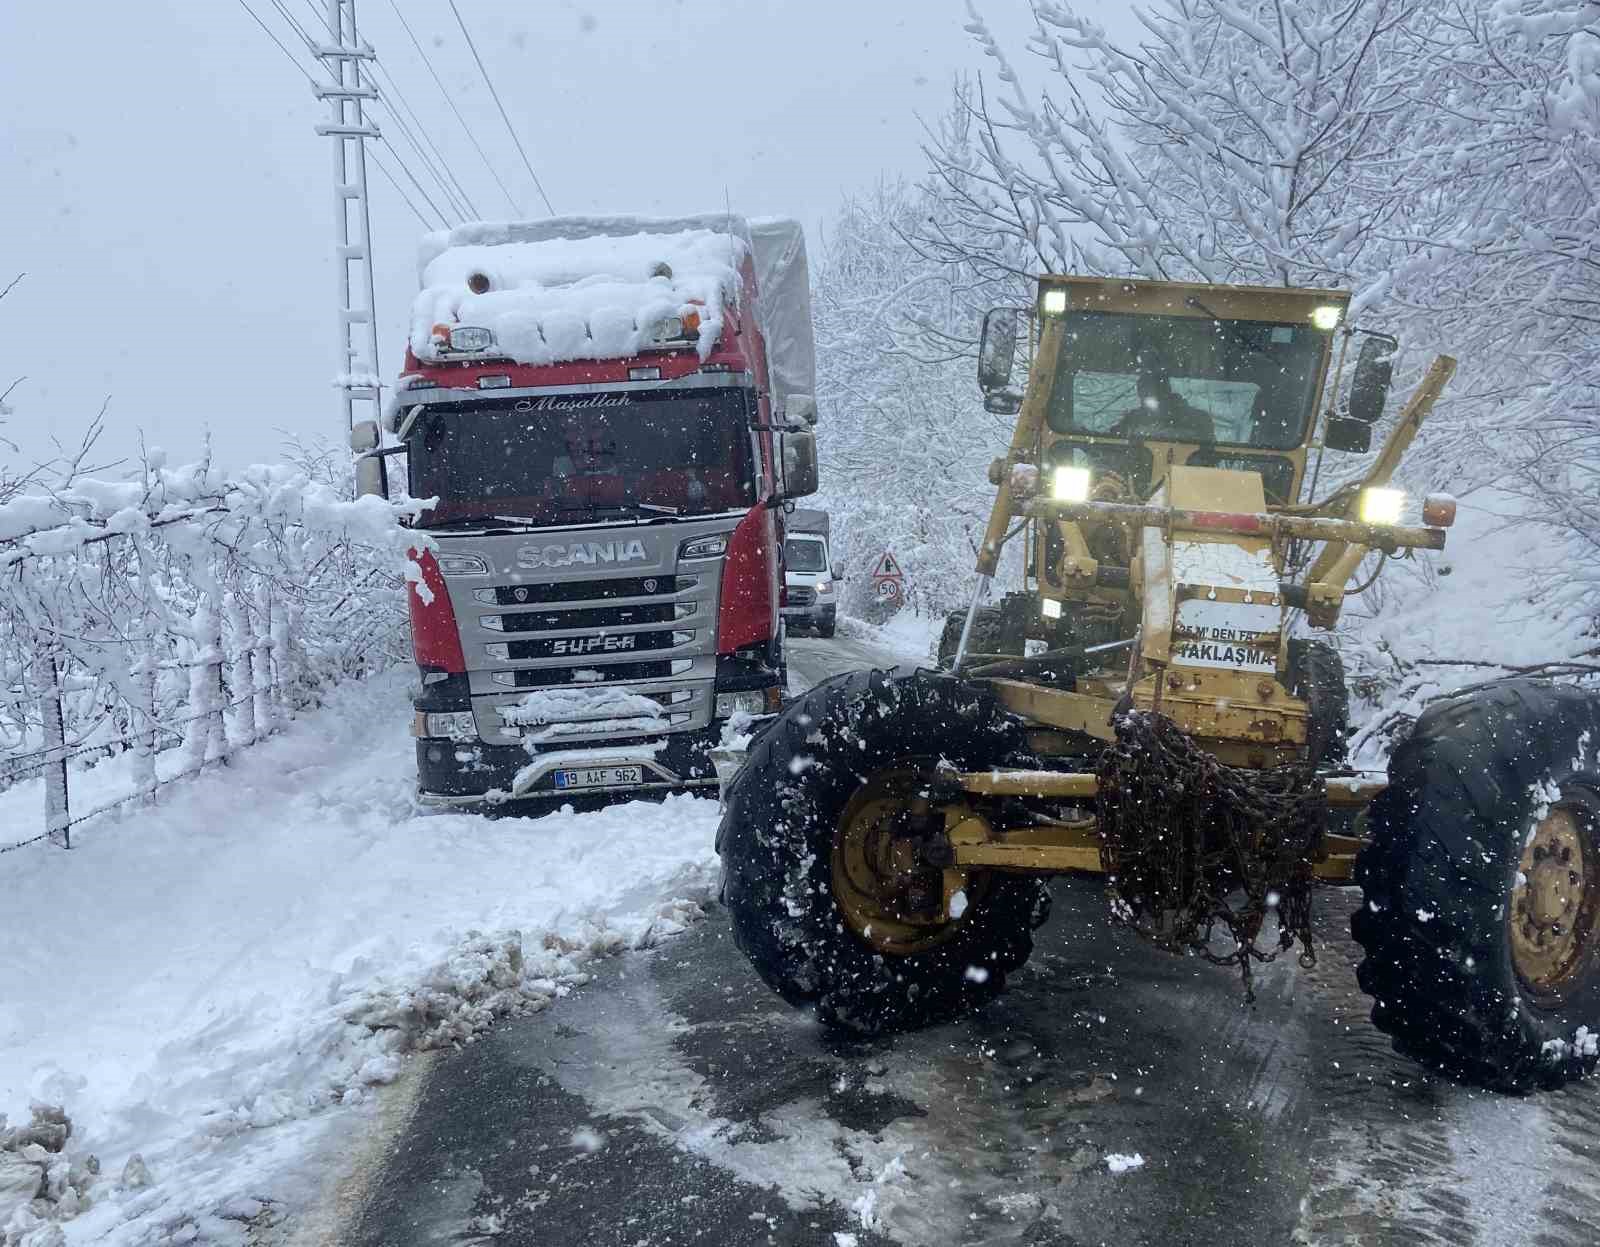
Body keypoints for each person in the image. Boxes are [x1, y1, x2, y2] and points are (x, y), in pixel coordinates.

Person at [1112, 354, 1215, 443]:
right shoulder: (1133, 419)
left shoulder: (1197, 419)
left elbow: (1210, 454)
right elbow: (1112, 446)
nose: (1147, 397)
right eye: (1144, 394)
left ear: (1166, 392)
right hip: (1139, 465)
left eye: (1154, 392)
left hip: (1183, 466)